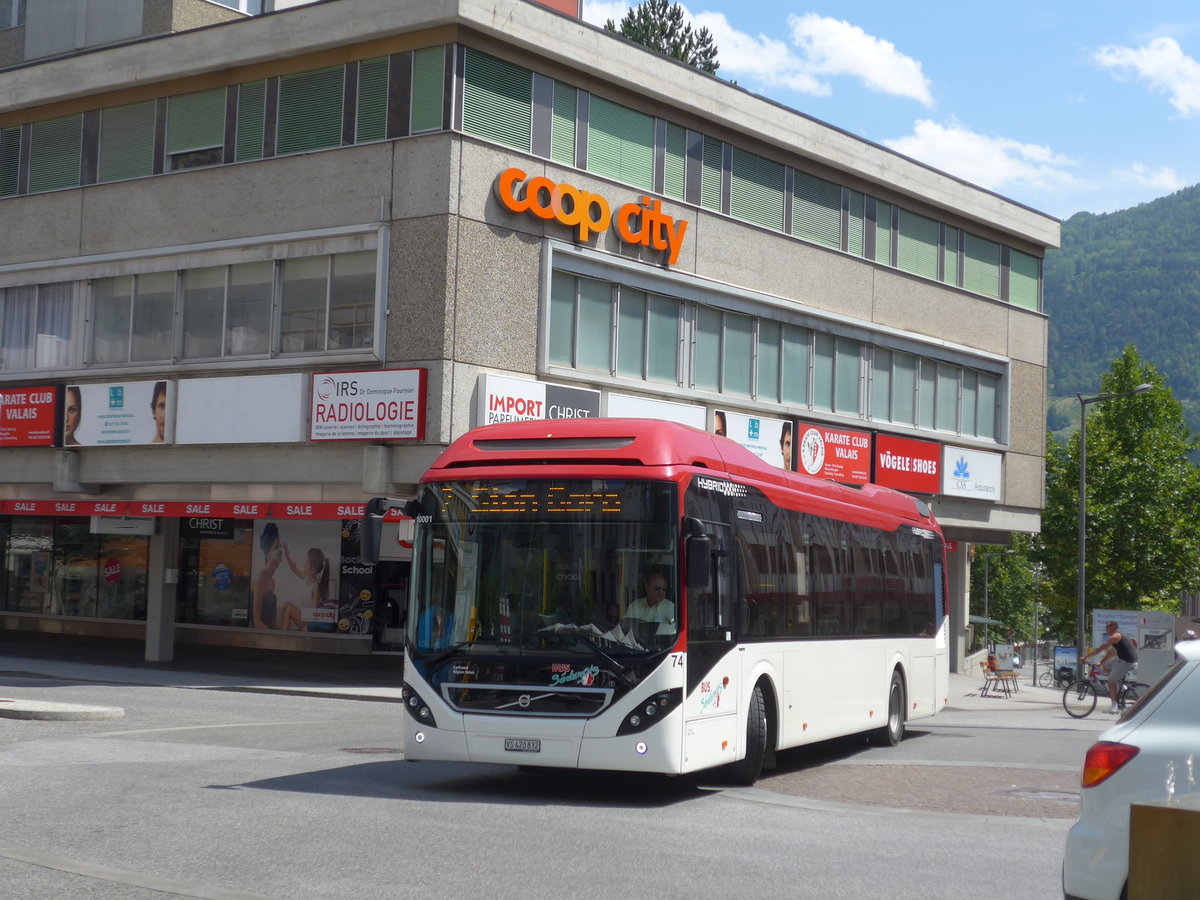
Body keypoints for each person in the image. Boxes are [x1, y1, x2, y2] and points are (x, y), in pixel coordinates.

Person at [1083, 620, 1139, 714]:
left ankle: (1114, 706)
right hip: (1125, 661)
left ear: (1114, 628)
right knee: (1106, 665)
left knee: (1110, 681)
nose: (1106, 629)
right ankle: (1119, 683)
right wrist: (1101, 662)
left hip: (1127, 662)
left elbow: (1099, 649)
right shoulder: (1117, 637)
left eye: (1108, 627)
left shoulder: (1115, 637)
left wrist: (1085, 657)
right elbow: (1111, 652)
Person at [281, 546, 332, 631]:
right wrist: (287, 556)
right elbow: (294, 568)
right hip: (303, 615)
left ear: (312, 570)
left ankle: (283, 634)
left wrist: (309, 627)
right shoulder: (305, 577)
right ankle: (284, 627)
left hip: (308, 621)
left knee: (289, 610)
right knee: (286, 604)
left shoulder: (315, 587)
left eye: (306, 562)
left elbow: (316, 612)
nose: (303, 564)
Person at [625, 568, 676, 633]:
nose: (661, 592)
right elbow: (626, 629)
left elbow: (672, 632)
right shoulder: (634, 606)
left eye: (664, 589)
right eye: (657, 588)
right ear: (647, 588)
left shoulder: (670, 607)